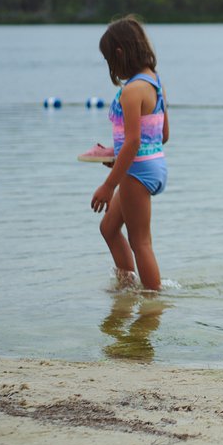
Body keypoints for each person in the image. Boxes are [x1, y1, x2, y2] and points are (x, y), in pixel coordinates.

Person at [91, 15, 168, 292]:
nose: (111, 67)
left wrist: (108, 185)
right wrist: (114, 153)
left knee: (141, 242)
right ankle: (127, 288)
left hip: (137, 172)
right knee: (109, 229)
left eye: (110, 60)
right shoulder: (154, 81)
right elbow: (161, 135)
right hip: (153, 165)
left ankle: (152, 302)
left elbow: (134, 143)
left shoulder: (131, 91)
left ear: (120, 53)